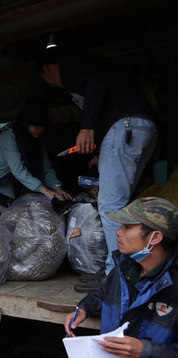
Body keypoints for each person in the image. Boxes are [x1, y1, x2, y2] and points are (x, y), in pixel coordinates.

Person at [39, 47, 157, 291]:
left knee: (110, 205)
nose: (53, 84)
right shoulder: (101, 69)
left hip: (125, 127)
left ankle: (116, 277)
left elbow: (95, 87)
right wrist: (100, 151)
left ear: (48, 69)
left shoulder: (71, 65)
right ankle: (118, 269)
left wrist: (87, 127)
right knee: (121, 205)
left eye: (47, 79)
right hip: (141, 128)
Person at [65, 197, 178, 358]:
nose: (118, 232)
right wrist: (85, 307)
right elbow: (104, 293)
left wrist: (145, 351)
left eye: (127, 227)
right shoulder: (123, 269)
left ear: (155, 237)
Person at [0, 98, 72, 223]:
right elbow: (19, 171)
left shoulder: (37, 141)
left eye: (43, 126)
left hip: (4, 174)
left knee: (11, 211)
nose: (40, 129)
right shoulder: (8, 137)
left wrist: (57, 188)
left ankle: (6, 240)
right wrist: (47, 192)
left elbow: (46, 168)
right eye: (36, 125)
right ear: (25, 124)